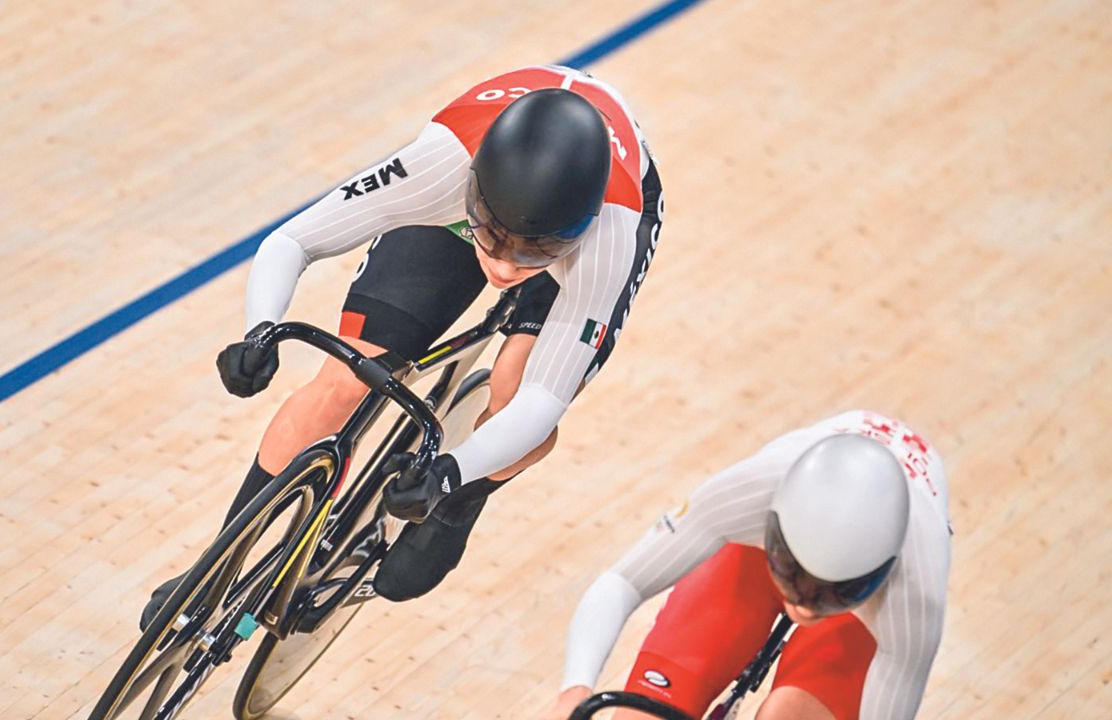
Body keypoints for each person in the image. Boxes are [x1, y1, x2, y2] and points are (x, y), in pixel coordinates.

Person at [141, 65, 665, 628]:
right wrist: (261, 328)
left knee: (515, 389)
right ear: (472, 191)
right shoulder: (437, 166)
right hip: (460, 206)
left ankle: (466, 503)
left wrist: (452, 476)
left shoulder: (608, 236)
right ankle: (218, 564)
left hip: (595, 219)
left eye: (535, 253)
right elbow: (293, 241)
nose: (507, 267)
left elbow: (543, 402)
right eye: (491, 239)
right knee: (346, 378)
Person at [545, 411, 952, 720]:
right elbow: (622, 582)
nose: (806, 607)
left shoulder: (915, 592)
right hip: (759, 557)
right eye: (795, 577)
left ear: (884, 571)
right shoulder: (749, 493)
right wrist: (575, 689)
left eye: (830, 594)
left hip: (862, 613)